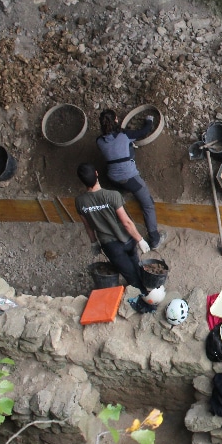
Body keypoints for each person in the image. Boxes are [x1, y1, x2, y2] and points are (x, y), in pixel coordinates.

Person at [74, 163, 158, 313]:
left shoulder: (80, 202)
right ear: (97, 173)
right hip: (127, 240)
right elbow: (126, 223)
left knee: (131, 274)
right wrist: (140, 239)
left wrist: (94, 242)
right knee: (135, 266)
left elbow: (88, 226)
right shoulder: (112, 195)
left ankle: (143, 296)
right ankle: (147, 304)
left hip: (111, 246)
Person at [96, 109, 162, 250]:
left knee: (127, 150)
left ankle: (123, 192)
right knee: (148, 204)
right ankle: (155, 238)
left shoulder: (99, 141)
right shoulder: (124, 135)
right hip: (129, 178)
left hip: (112, 178)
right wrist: (149, 119)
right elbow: (144, 131)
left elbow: (114, 144)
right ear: (116, 120)